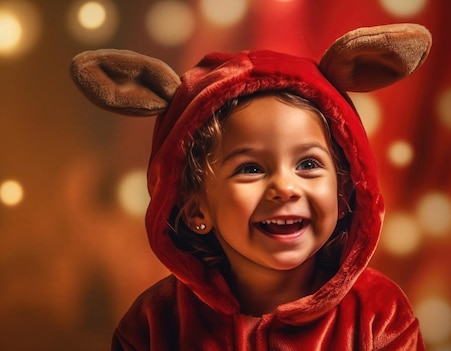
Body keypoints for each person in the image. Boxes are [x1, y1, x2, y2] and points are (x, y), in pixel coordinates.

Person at [71, 23, 432, 350]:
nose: (285, 188)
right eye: (251, 169)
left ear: (342, 189)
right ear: (196, 208)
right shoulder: (155, 324)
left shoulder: (378, 316)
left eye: (308, 164)